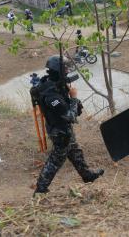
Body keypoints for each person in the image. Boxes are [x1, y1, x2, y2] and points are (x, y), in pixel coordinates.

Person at [33, 55, 104, 195]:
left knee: (75, 151)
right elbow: (70, 116)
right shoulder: (51, 96)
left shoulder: (53, 83)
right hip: (59, 131)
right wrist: (74, 98)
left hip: (63, 129)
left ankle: (87, 175)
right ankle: (40, 189)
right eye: (64, 68)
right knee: (55, 160)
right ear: (58, 71)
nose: (67, 70)